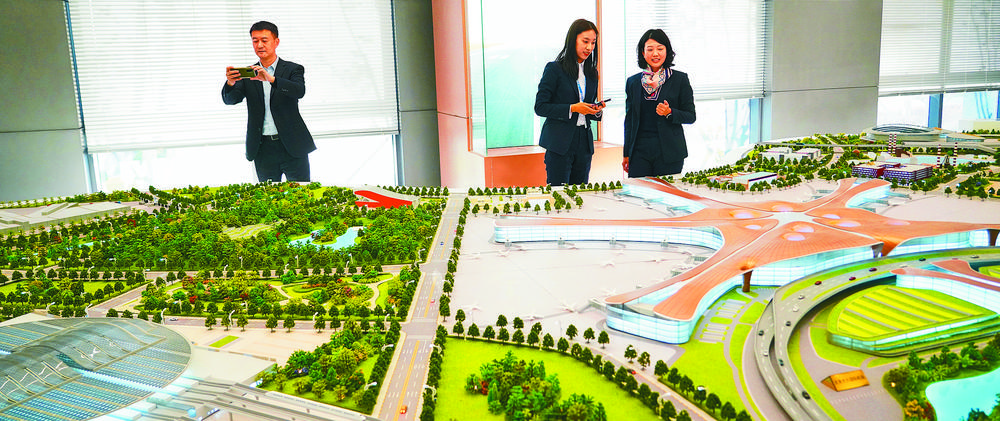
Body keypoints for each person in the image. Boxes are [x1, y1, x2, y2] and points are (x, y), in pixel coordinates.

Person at [223, 21, 315, 182]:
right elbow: (231, 100)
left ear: (276, 42)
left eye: (264, 40)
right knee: (268, 195)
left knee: (301, 193)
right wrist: (230, 83)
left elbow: (299, 91)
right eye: (255, 40)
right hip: (263, 148)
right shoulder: (249, 73)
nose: (259, 45)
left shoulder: (293, 69)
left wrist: (271, 79)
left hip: (292, 145)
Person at [534, 19, 606, 186]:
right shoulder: (555, 69)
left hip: (584, 142)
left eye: (593, 43)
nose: (589, 47)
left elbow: (587, 106)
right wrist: (573, 108)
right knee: (559, 193)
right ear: (573, 40)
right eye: (585, 41)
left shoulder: (592, 73)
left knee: (581, 193)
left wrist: (596, 110)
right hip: (560, 142)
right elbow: (540, 107)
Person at [623, 29, 695, 178]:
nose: (655, 54)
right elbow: (630, 120)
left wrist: (670, 112)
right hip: (639, 152)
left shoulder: (680, 79)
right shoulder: (633, 82)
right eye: (650, 49)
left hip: (669, 151)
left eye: (660, 49)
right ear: (643, 53)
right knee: (639, 191)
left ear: (667, 51)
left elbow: (690, 116)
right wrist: (626, 153)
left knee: (666, 192)